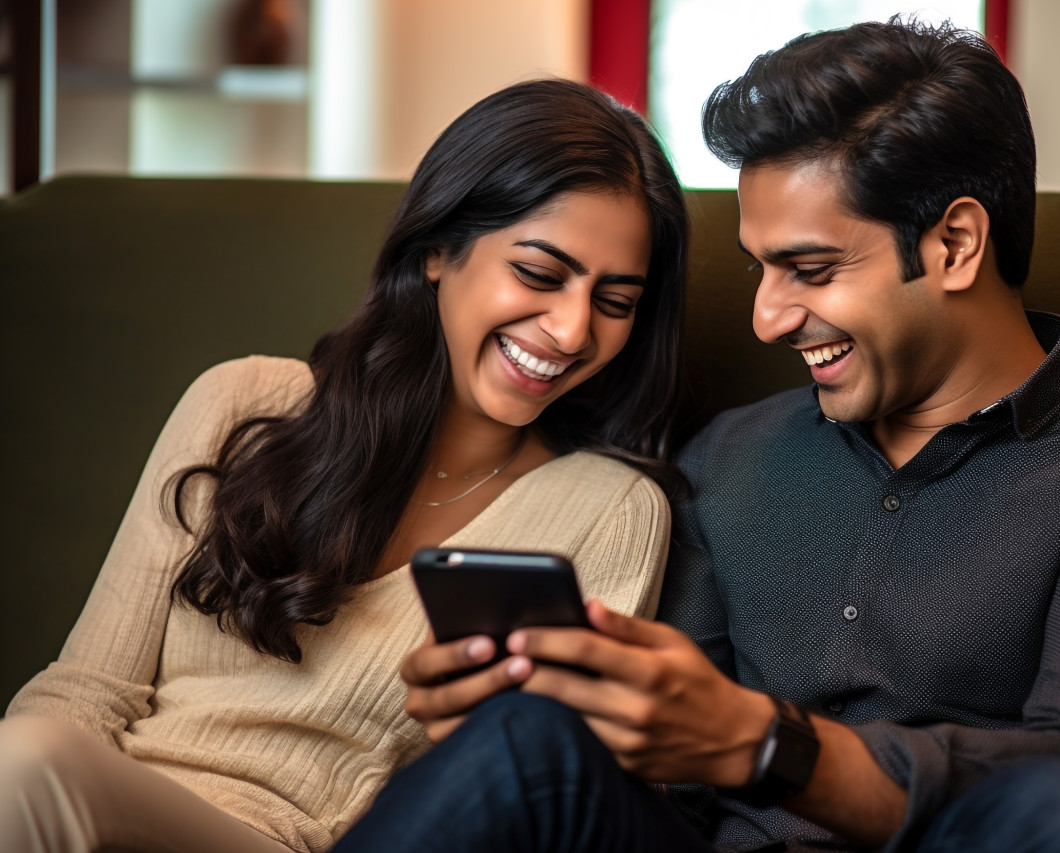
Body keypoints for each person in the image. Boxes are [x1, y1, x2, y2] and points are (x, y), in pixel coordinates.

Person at [329, 18, 1060, 853]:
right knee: (524, 743)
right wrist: (535, 705)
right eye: (759, 269)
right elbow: (662, 779)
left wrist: (766, 743)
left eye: (808, 269)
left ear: (955, 245)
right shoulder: (724, 458)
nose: (769, 317)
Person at [0, 78, 689, 853]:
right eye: (538, 273)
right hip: (81, 810)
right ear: (437, 250)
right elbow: (86, 690)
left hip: (311, 839)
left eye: (615, 300)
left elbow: (524, 793)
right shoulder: (243, 401)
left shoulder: (611, 507)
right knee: (34, 756)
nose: (569, 329)